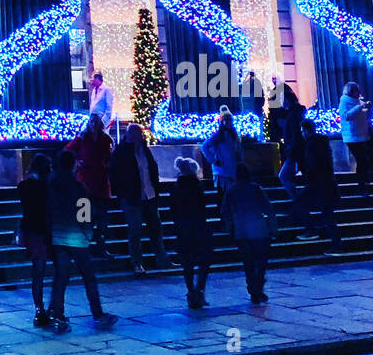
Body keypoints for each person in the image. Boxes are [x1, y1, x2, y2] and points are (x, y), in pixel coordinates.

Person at [45, 148, 116, 333]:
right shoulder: (78, 188)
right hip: (77, 237)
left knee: (60, 277)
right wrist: (88, 233)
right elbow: (85, 215)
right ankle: (97, 314)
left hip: (58, 237)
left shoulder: (51, 186)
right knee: (88, 277)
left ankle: (57, 314)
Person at [108, 123, 166, 273]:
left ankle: (161, 258)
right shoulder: (121, 152)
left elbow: (151, 168)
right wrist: (122, 192)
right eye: (136, 133)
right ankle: (137, 262)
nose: (138, 136)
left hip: (149, 194)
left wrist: (155, 186)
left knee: (155, 227)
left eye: (140, 133)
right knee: (135, 229)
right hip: (132, 196)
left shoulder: (144, 150)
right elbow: (114, 173)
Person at [220, 163, 276, 304]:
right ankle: (259, 287)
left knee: (248, 262)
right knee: (261, 260)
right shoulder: (255, 188)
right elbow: (268, 208)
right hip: (258, 228)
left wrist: (229, 226)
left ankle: (253, 288)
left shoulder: (231, 190)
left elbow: (225, 211)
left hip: (241, 229)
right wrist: (272, 226)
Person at [67, 113, 114, 256]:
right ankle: (83, 249)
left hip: (100, 183)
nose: (93, 124)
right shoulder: (82, 139)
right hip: (85, 184)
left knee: (101, 219)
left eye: (95, 122)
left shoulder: (105, 139)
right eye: (91, 122)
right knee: (84, 218)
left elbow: (110, 157)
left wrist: (107, 164)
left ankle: (100, 247)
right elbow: (67, 151)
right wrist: (77, 162)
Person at [169, 156, 211, 308]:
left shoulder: (176, 189)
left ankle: (190, 291)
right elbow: (202, 208)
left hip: (183, 228)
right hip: (198, 227)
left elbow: (172, 209)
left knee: (187, 264)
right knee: (204, 261)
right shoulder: (197, 187)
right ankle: (199, 290)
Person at [17, 153, 53, 326]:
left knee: (37, 272)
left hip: (31, 230)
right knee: (46, 270)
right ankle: (46, 309)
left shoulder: (25, 186)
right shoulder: (46, 186)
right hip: (43, 230)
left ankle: (40, 308)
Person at [295, 118, 342, 251]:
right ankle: (335, 242)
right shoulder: (322, 143)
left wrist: (308, 176)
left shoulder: (312, 144)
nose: (302, 134)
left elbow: (313, 164)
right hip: (326, 183)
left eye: (302, 131)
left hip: (318, 184)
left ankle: (312, 230)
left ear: (307, 131)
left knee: (302, 204)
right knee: (328, 214)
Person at [338, 81, 373, 196]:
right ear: (350, 91)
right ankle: (362, 185)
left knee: (367, 158)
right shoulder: (344, 102)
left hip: (363, 135)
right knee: (361, 159)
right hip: (352, 136)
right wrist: (360, 107)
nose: (358, 92)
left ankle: (364, 181)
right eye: (356, 90)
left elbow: (364, 116)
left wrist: (368, 109)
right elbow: (346, 116)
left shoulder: (359, 101)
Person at [200, 107, 244, 197]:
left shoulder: (234, 136)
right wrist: (213, 160)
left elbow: (238, 151)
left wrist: (240, 162)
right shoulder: (217, 136)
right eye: (226, 120)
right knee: (223, 195)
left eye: (229, 120)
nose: (228, 122)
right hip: (221, 171)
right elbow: (204, 146)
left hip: (233, 169)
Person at [277, 84, 307, 210]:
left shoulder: (293, 115)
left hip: (294, 152)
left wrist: (290, 149)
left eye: (282, 99)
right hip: (297, 151)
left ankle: (298, 200)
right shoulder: (295, 114)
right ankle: (300, 199)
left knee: (284, 176)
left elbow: (295, 134)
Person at [88, 71, 116, 137]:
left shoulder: (106, 90)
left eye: (93, 79)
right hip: (93, 119)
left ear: (97, 78)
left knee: (103, 137)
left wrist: (103, 121)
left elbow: (109, 106)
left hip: (101, 119)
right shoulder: (94, 90)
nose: (91, 81)